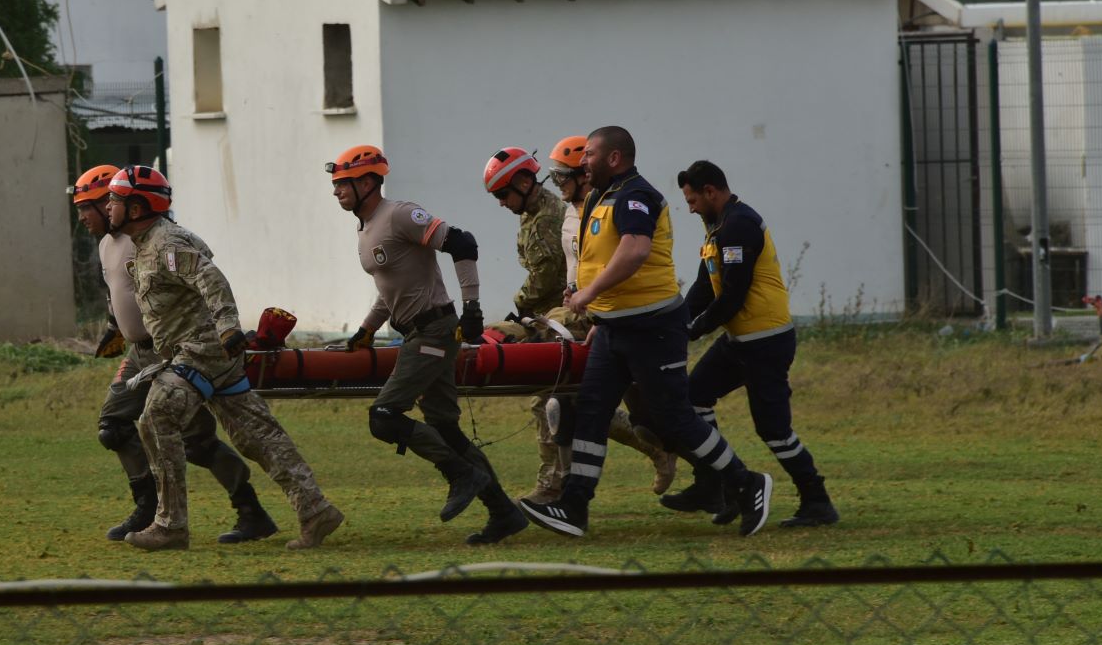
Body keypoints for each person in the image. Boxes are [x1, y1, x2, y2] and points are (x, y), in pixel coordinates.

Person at [518, 126, 774, 539]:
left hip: (652, 328)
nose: (583, 161)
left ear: (614, 158)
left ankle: (746, 483)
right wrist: (595, 311)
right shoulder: (599, 197)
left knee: (673, 418)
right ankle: (575, 506)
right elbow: (600, 258)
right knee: (591, 411)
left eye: (590, 154)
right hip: (613, 328)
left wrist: (589, 294)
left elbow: (635, 250)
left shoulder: (637, 196)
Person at [107, 165, 344, 552]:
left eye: (114, 200)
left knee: (157, 417)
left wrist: (229, 326)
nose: (108, 206)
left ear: (136, 208)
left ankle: (170, 525)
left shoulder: (165, 243)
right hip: (211, 354)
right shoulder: (147, 243)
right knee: (257, 435)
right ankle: (315, 510)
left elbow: (209, 277)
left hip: (200, 351)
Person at [331, 144, 527, 545]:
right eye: (335, 185)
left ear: (368, 183)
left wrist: (472, 307)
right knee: (445, 428)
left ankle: (460, 474)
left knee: (384, 416)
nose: (337, 191)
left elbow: (463, 243)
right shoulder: (366, 228)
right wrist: (366, 331)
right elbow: (391, 290)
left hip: (434, 332)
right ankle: (504, 513)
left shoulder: (400, 215)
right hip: (418, 333)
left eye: (343, 183)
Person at [70, 165, 277, 545]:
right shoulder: (106, 246)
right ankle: (147, 507)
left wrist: (222, 328)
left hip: (172, 353)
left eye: (87, 207)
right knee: (112, 427)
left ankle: (251, 511)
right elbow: (118, 292)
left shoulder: (149, 238)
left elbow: (200, 277)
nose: (82, 216)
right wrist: (114, 328)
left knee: (197, 441)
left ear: (111, 202)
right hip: (138, 354)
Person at [486, 143, 676, 505]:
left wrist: (526, 307)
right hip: (563, 314)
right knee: (576, 402)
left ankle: (554, 485)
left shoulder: (557, 216)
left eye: (502, 194)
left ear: (524, 183)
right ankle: (655, 453)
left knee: (551, 398)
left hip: (580, 317)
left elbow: (549, 278)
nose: (501, 203)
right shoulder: (549, 214)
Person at [668, 160, 840, 528]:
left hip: (766, 343)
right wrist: (676, 323)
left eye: (693, 200)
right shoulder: (717, 227)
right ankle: (717, 483)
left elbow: (733, 295)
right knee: (694, 396)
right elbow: (704, 287)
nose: (691, 209)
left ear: (710, 191)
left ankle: (817, 501)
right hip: (740, 342)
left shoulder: (739, 224)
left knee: (774, 430)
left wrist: (691, 332)